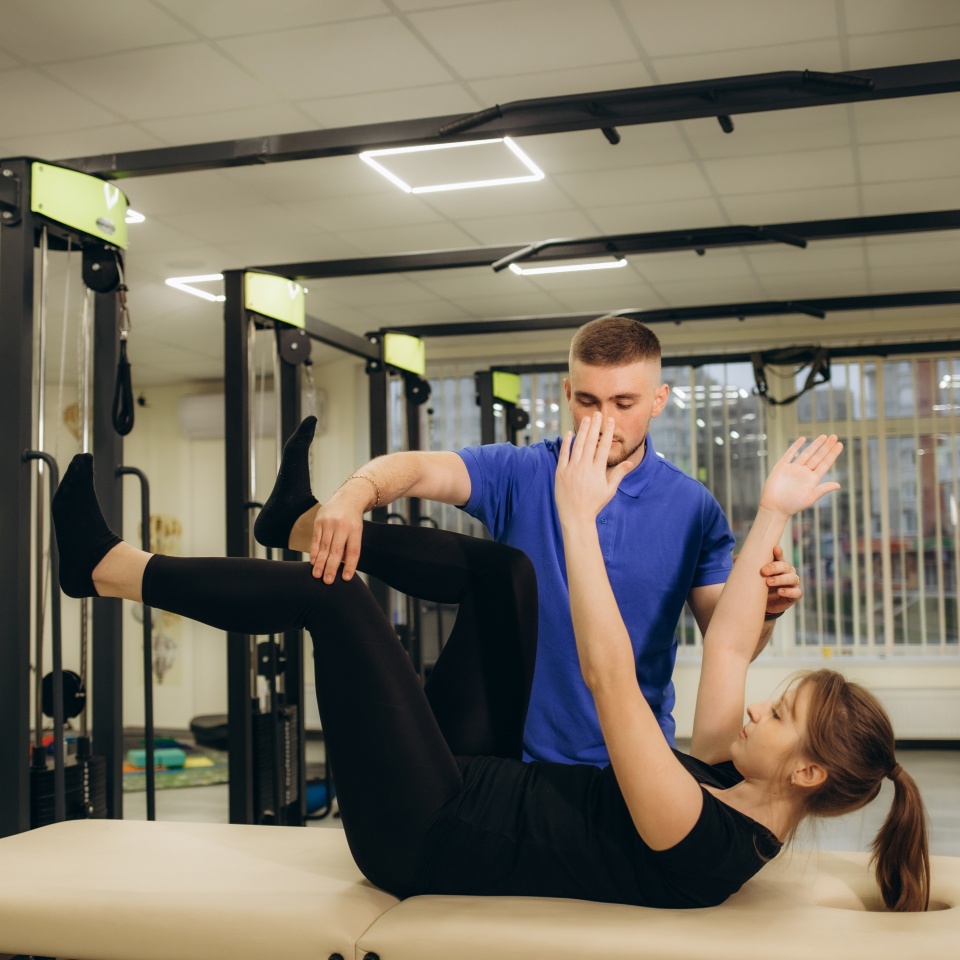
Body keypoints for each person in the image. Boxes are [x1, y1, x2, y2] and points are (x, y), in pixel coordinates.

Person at [52, 428, 929, 912]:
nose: (756, 713)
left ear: (807, 773)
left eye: (779, 718)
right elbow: (730, 645)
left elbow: (611, 678)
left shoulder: (702, 838)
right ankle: (300, 522)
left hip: (426, 834)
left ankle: (108, 569)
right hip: (477, 777)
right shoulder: (735, 781)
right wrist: (774, 512)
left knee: (338, 602)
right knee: (506, 574)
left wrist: (576, 518)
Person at [254, 316, 802, 765]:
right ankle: (301, 523)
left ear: (658, 400)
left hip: (632, 763)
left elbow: (729, 646)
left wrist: (766, 614)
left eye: (624, 403)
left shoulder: (694, 508)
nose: (604, 421)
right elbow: (418, 467)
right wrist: (352, 495)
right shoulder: (523, 472)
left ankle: (296, 524)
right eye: (587, 401)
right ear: (566, 392)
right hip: (510, 756)